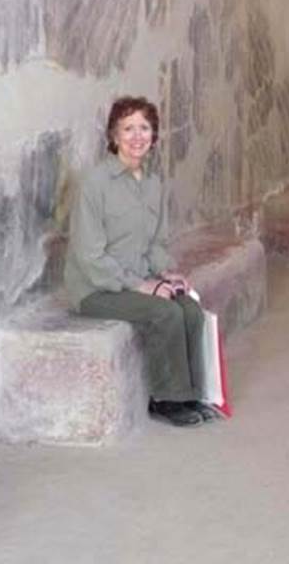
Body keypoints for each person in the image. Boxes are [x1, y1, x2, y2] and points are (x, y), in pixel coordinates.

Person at [64, 96, 218, 427]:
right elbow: (89, 255)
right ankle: (166, 398)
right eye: (128, 128)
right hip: (96, 288)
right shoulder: (94, 183)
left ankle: (192, 393)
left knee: (189, 309)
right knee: (165, 312)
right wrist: (142, 286)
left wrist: (166, 273)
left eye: (144, 128)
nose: (137, 136)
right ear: (114, 135)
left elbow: (155, 243)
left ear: (154, 135)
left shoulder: (152, 184)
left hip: (137, 278)